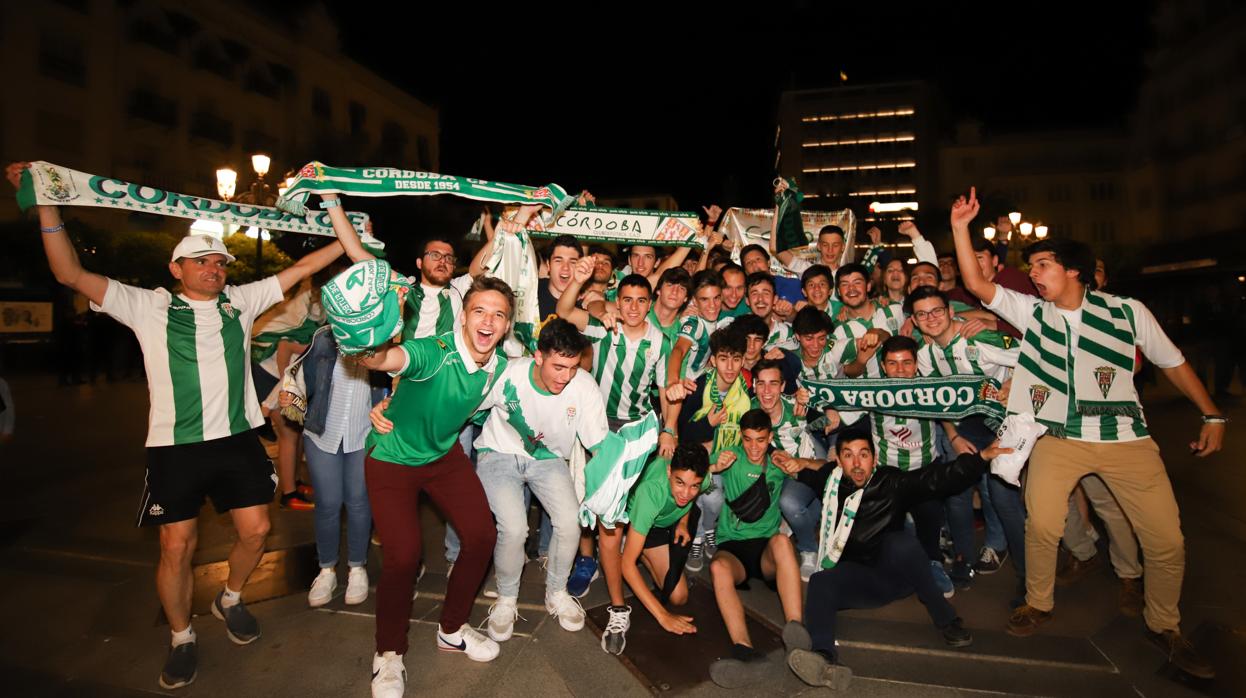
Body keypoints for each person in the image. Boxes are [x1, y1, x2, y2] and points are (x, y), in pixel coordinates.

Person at [7, 161, 349, 690]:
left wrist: (351, 234)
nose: (215, 269)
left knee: (257, 532)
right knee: (176, 547)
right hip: (175, 446)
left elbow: (302, 269)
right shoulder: (147, 305)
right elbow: (69, 274)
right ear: (177, 268)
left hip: (236, 440)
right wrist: (47, 204)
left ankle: (230, 597)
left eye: (220, 262)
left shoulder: (240, 300)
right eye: (203, 262)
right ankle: (181, 635)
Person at [950, 186, 1224, 679]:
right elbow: (974, 280)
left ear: (1074, 269)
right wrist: (960, 226)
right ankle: (1039, 602)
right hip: (1061, 437)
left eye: (1043, 266)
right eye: (1031, 268)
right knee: (1043, 524)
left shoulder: (1127, 312)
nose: (1032, 275)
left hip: (1127, 440)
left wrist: (1213, 415)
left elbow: (1175, 363)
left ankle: (1164, 625)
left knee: (1167, 542)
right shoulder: (1033, 314)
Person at [357, 275, 517, 696]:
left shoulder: (499, 365)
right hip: (391, 458)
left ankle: (452, 629)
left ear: (506, 326)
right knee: (404, 555)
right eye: (480, 311)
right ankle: (389, 653)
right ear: (463, 317)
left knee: (483, 535)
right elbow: (383, 361)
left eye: (498, 315)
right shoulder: (435, 350)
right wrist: (377, 330)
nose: (488, 321)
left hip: (442, 456)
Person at [787, 432, 1011, 690]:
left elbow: (938, 479)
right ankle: (823, 658)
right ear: (839, 461)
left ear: (875, 459)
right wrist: (789, 462)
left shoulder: (890, 482)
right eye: (848, 455)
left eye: (864, 454)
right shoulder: (831, 481)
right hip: (857, 579)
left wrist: (981, 457)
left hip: (895, 576)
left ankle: (948, 621)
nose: (857, 463)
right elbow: (806, 473)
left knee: (901, 542)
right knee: (819, 581)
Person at [474, 319, 608, 641]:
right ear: (538, 356)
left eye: (572, 367)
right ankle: (507, 599)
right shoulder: (509, 372)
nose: (566, 376)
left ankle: (557, 593)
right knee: (515, 528)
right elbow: (465, 406)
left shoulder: (584, 385)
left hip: (547, 458)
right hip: (499, 452)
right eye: (559, 367)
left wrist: (613, 480)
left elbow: (599, 444)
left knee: (570, 522)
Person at [908, 285, 1023, 590]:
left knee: (1003, 497)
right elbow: (936, 399)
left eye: (936, 311)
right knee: (956, 490)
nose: (931, 319)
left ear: (949, 311)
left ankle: (1027, 574)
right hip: (963, 427)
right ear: (915, 321)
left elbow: (1032, 356)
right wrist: (953, 435)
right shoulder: (924, 355)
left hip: (1002, 424)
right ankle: (964, 559)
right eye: (922, 314)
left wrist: (1013, 380)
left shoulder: (979, 336)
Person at [282, 322, 386, 608]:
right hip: (321, 433)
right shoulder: (324, 337)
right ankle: (326, 570)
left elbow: (390, 381)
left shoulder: (382, 335)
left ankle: (357, 568)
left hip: (363, 433)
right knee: (328, 504)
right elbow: (302, 374)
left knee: (358, 501)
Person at [706, 409, 810, 689]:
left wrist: (798, 462)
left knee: (782, 542)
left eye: (760, 440)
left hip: (766, 547)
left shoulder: (778, 461)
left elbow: (821, 469)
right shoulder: (731, 456)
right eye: (749, 439)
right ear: (741, 437)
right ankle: (744, 650)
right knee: (716, 567)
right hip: (733, 547)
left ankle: (796, 634)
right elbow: (690, 470)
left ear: (770, 437)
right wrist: (714, 467)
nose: (754, 447)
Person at [597, 444, 711, 655]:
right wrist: (663, 616)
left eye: (694, 485)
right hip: (646, 522)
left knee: (680, 597)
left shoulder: (704, 477)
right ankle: (632, 544)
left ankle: (641, 548)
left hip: (668, 520)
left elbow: (691, 498)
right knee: (673, 595)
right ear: (669, 471)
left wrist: (684, 521)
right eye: (680, 483)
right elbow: (627, 565)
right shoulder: (650, 493)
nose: (686, 493)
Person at [751, 358, 824, 581]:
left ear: (783, 386)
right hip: (779, 469)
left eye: (773, 383)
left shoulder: (796, 407)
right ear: (754, 385)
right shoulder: (749, 410)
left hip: (808, 462)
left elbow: (827, 423)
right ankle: (811, 512)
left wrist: (812, 411)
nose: (766, 391)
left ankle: (808, 549)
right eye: (761, 383)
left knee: (790, 503)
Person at [666, 270, 724, 385]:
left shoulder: (711, 318)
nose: (712, 305)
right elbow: (679, 350)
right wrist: (673, 382)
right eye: (704, 299)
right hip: (689, 384)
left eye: (716, 298)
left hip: (700, 376)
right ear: (694, 301)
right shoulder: (694, 323)